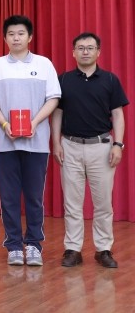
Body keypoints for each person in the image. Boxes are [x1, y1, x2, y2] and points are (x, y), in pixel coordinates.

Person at [0, 15, 60, 266]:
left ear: (30, 37)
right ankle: (14, 245)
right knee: (8, 198)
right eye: (11, 34)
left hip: (37, 143)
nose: (16, 38)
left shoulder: (44, 64)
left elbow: (53, 98)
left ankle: (34, 244)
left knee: (35, 197)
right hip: (4, 143)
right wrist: (5, 125)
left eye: (21, 33)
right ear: (5, 38)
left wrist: (34, 123)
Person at [52, 32, 127, 269]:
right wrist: (56, 143)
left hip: (101, 147)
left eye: (90, 48)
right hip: (70, 146)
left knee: (103, 203)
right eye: (81, 48)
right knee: (72, 203)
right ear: (73, 52)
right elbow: (57, 113)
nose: (85, 51)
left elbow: (118, 115)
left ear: (98, 52)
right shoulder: (63, 80)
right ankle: (73, 249)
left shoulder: (110, 80)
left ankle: (103, 249)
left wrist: (118, 144)